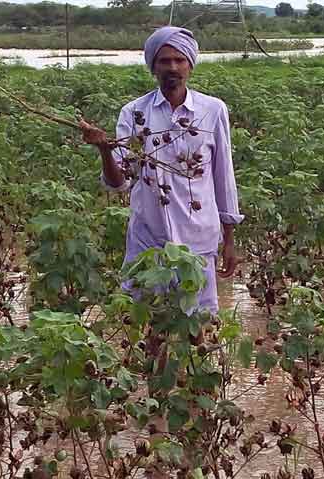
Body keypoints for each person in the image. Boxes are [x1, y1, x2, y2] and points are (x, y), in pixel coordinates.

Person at [80, 26, 243, 314]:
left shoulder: (212, 110)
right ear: (153, 67)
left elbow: (223, 176)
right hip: (149, 238)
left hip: (197, 239)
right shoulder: (134, 113)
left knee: (197, 323)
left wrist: (229, 240)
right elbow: (119, 183)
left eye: (180, 60)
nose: (173, 67)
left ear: (190, 65)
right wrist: (105, 149)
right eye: (165, 61)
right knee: (148, 321)